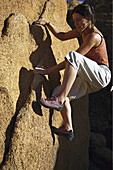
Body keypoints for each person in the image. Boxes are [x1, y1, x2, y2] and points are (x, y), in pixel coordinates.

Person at [33, 3, 111, 141]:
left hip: (101, 74)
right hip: (89, 77)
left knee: (73, 57)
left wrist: (47, 71)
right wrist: (48, 23)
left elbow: (73, 59)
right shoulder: (82, 31)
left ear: (88, 18)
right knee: (58, 90)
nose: (75, 23)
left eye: (78, 19)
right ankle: (68, 128)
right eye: (74, 20)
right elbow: (62, 36)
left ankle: (59, 100)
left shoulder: (94, 36)